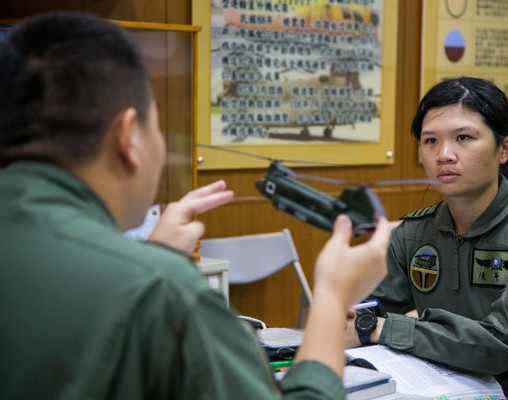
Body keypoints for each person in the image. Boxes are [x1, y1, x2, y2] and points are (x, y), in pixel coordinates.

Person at [0, 12, 392, 400]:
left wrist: (152, 258)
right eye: (155, 125)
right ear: (127, 138)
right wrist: (332, 298)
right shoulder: (167, 292)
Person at [345, 77, 508, 398]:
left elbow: (501, 346)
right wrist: (360, 317)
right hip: (435, 387)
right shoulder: (412, 233)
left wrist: (381, 328)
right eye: (430, 141)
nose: (444, 154)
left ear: (504, 149)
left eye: (463, 137)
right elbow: (371, 311)